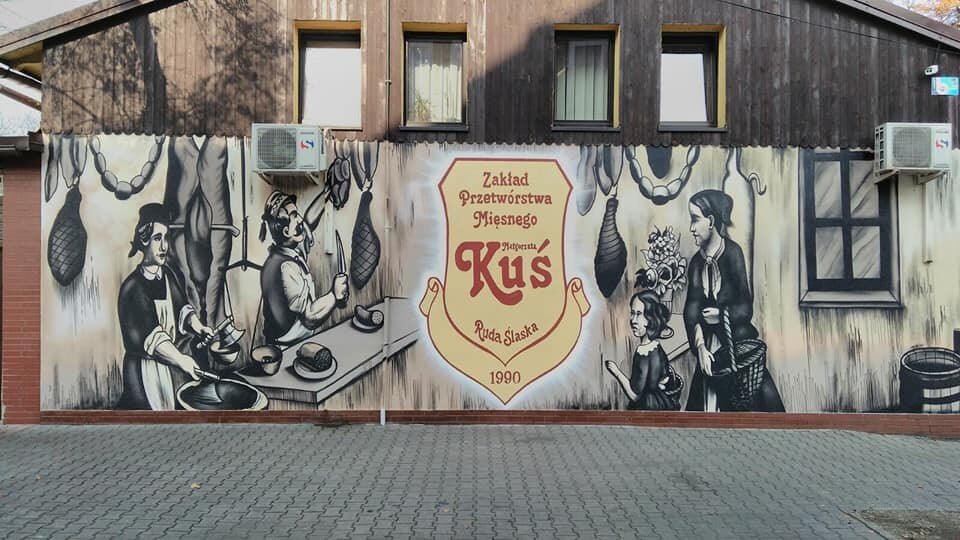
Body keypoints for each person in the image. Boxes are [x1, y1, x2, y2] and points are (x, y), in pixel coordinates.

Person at [682, 189, 785, 412]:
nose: (691, 228)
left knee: (755, 403)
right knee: (701, 405)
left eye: (695, 219)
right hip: (709, 349)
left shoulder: (733, 253)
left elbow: (745, 306)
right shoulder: (696, 264)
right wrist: (701, 347)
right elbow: (691, 310)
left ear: (711, 221)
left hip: (736, 345)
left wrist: (721, 315)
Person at [116, 203, 214, 410]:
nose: (164, 246)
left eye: (166, 238)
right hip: (142, 371)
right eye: (157, 238)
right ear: (144, 240)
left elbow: (182, 308)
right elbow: (151, 338)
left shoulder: (168, 275)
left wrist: (198, 327)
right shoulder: (132, 288)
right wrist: (181, 360)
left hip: (168, 364)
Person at [259, 190, 349, 347]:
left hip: (296, 343)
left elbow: (308, 222)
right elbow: (309, 318)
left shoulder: (286, 250)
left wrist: (327, 194)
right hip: (287, 349)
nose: (300, 219)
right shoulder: (286, 268)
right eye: (295, 216)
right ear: (286, 231)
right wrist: (334, 295)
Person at [605, 290, 680, 411]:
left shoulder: (643, 353)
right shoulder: (657, 348)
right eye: (632, 313)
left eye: (639, 314)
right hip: (662, 404)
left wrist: (616, 372)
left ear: (650, 318)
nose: (633, 320)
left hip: (647, 408)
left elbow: (634, 396)